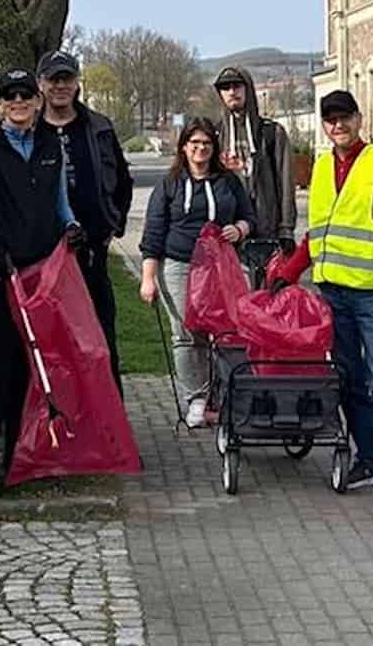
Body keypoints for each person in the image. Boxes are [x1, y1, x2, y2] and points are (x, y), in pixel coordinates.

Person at [265, 89, 373, 505]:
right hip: (332, 294)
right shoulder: (323, 166)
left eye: (345, 118)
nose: (338, 126)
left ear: (358, 119)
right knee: (348, 381)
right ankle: (368, 455)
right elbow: (319, 234)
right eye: (331, 120)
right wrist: (288, 274)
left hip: (370, 295)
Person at [0, 67, 82, 500]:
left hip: (43, 275)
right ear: (0, 104)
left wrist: (71, 226)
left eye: (25, 95)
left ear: (37, 99)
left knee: (41, 368)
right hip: (2, 274)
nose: (18, 103)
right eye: (9, 96)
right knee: (3, 368)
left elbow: (59, 201)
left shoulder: (51, 145)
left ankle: (27, 457)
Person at [138, 117, 258, 429]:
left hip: (221, 265)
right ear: (184, 148)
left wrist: (240, 229)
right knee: (188, 333)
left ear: (213, 147)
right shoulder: (170, 184)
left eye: (206, 144)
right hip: (178, 265)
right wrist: (148, 278)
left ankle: (224, 395)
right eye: (195, 144)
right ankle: (196, 398)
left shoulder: (229, 182)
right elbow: (153, 232)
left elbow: (250, 216)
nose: (201, 149)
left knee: (227, 331)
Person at [37, 49, 134, 389]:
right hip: (43, 254)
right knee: (51, 341)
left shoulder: (99, 127)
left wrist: (113, 224)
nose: (60, 85)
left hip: (93, 249)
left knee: (101, 335)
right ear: (41, 84)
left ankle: (111, 422)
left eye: (67, 78)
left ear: (77, 83)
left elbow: (122, 180)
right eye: (53, 79)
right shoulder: (29, 129)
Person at [213, 66, 296, 285]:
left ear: (247, 88)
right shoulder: (215, 135)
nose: (231, 92)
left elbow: (286, 183)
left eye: (236, 85)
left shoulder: (271, 133)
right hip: (228, 233)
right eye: (225, 87)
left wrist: (286, 230)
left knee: (265, 302)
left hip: (265, 231)